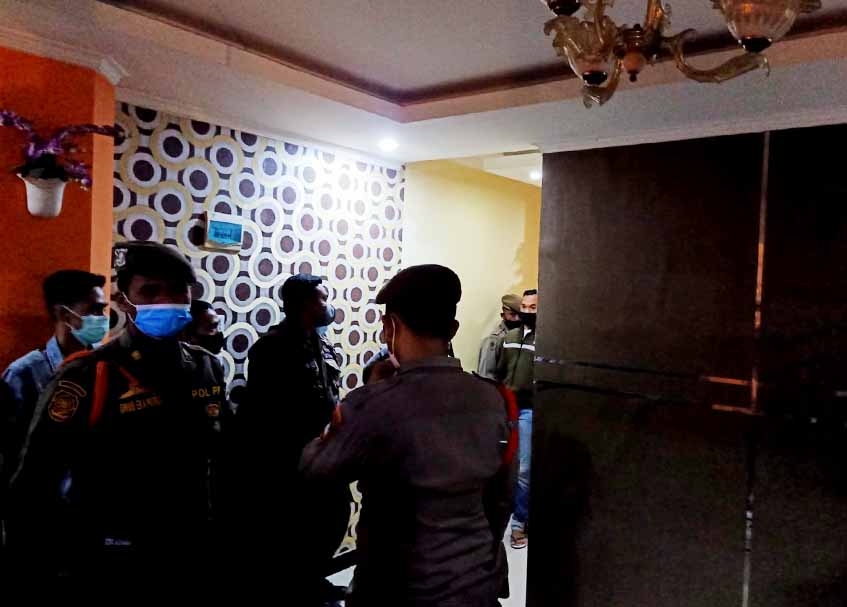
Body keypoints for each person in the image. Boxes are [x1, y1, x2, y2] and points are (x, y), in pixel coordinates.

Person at [9, 241, 231, 581]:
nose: (165, 301)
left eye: (177, 290)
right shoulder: (88, 374)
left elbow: (226, 457)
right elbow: (34, 484)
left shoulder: (206, 368)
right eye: (150, 291)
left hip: (190, 550)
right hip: (112, 559)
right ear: (124, 300)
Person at [301, 264, 517, 607]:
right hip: (476, 583)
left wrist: (358, 405)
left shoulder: (374, 402)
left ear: (390, 327)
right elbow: (501, 498)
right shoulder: (496, 399)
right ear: (453, 329)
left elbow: (315, 470)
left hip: (398, 588)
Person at [238, 273, 348, 604]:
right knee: (293, 537)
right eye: (323, 299)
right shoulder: (272, 348)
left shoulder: (319, 342)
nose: (328, 306)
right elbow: (265, 414)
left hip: (325, 456)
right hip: (289, 464)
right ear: (304, 303)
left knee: (327, 526)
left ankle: (314, 582)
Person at [1, 271, 108, 491]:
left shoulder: (107, 363)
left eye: (103, 309)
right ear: (64, 314)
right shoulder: (24, 374)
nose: (103, 318)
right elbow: (10, 451)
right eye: (94, 309)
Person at [495, 288, 538, 550]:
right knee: (502, 465)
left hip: (528, 411)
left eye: (533, 307)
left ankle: (518, 524)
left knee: (523, 470)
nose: (527, 311)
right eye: (525, 306)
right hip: (505, 409)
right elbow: (499, 372)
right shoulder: (509, 338)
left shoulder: (545, 341)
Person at [478, 293, 522, 380]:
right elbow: (486, 376)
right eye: (512, 314)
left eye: (520, 315)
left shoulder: (522, 336)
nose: (517, 318)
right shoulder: (494, 340)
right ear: (504, 312)